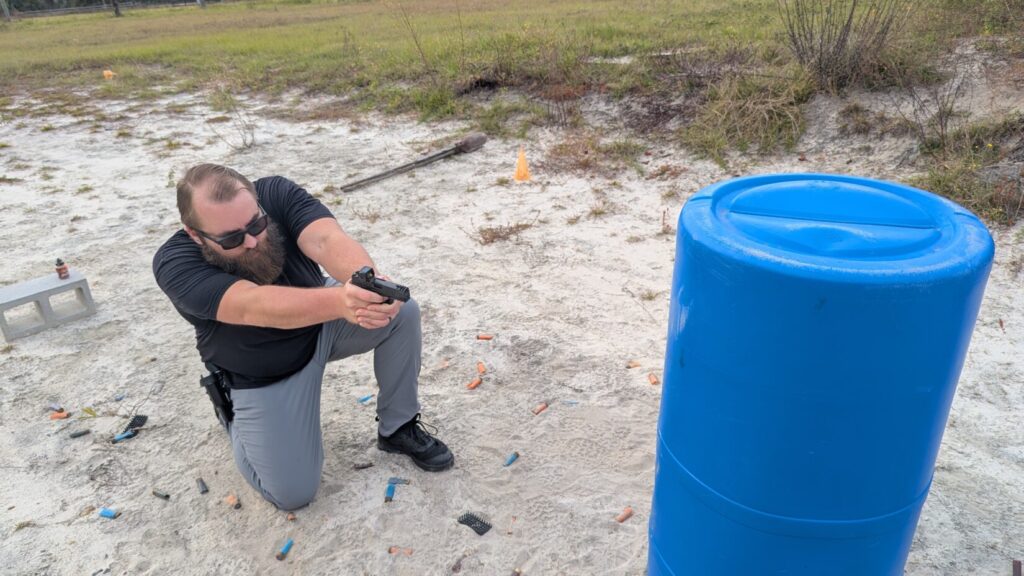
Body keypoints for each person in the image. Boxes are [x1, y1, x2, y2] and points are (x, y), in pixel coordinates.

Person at [153, 163, 453, 511]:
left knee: (403, 313)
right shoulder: (174, 265)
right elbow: (253, 305)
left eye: (256, 224)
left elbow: (326, 239)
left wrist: (364, 283)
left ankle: (398, 428)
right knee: (292, 495)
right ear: (195, 234)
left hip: (323, 323)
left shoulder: (275, 192)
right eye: (232, 238)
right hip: (265, 370)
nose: (252, 240)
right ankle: (232, 413)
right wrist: (342, 301)